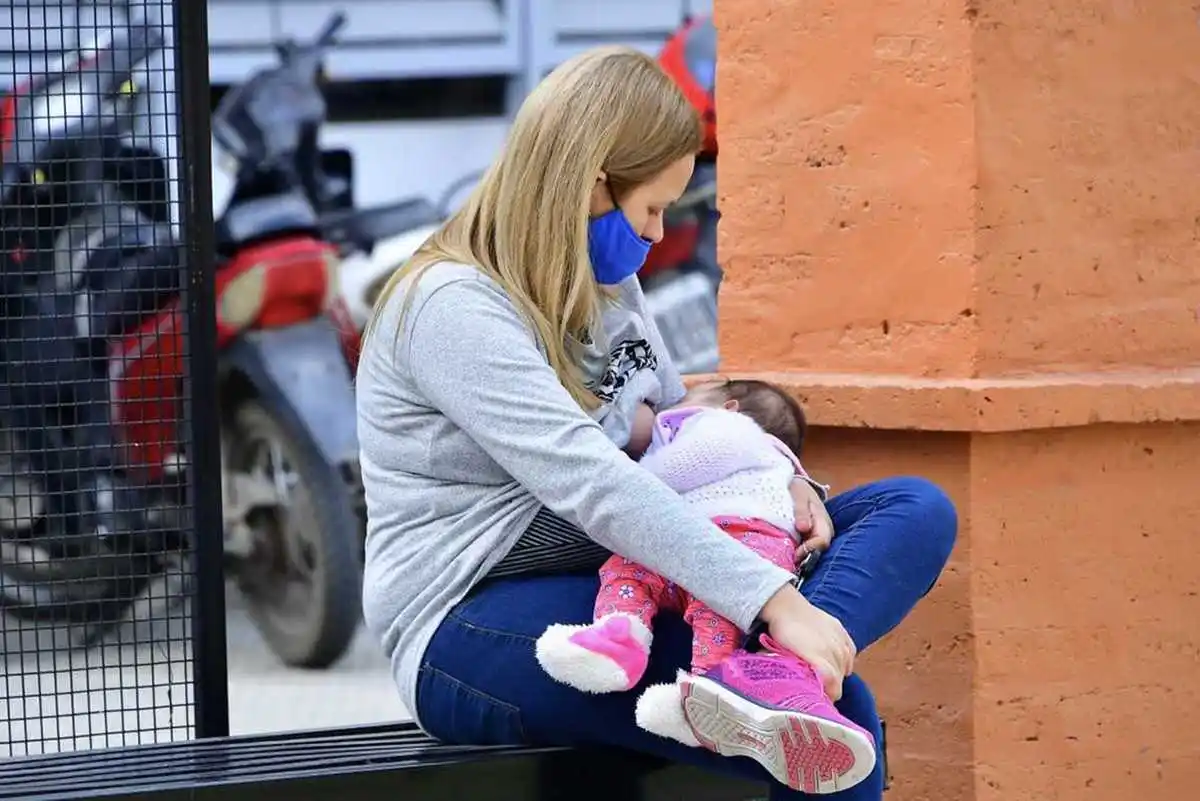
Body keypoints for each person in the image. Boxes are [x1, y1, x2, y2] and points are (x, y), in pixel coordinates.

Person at [356, 45, 957, 801]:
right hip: (468, 621)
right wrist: (776, 601)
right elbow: (593, 482)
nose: (656, 231)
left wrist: (786, 479)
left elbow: (677, 427)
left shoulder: (607, 286)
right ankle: (775, 674)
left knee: (910, 507)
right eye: (651, 207)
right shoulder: (452, 306)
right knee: (841, 719)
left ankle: (770, 676)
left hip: (624, 577)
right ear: (591, 184)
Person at [534, 379, 877, 794]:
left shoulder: (721, 428)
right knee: (646, 579)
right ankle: (698, 678)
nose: (674, 401)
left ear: (729, 407)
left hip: (738, 536)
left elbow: (673, 472)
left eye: (690, 397)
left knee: (694, 597)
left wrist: (636, 478)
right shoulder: (768, 458)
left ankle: (727, 678)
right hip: (698, 539)